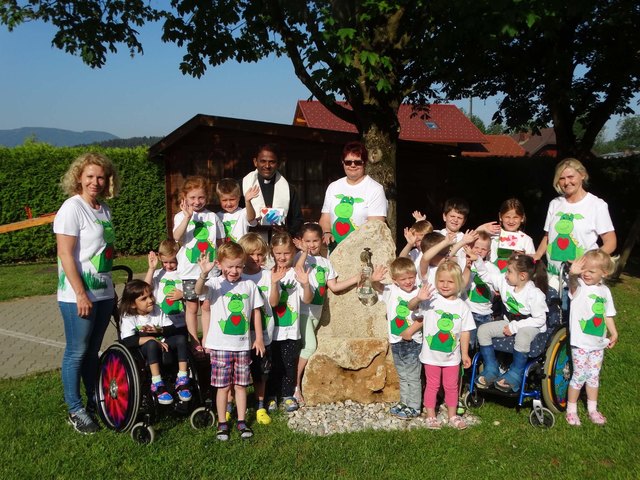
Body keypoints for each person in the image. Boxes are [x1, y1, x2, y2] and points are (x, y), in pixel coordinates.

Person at [54, 152, 120, 434]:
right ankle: (75, 408)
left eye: (100, 177)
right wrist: (81, 293)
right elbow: (65, 255)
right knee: (77, 351)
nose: (95, 182)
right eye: (90, 176)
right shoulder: (72, 208)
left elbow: (101, 253)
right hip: (77, 296)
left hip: (103, 293)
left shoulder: (103, 209)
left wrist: (111, 290)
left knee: (93, 351)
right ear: (79, 177)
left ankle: (94, 399)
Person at [195, 242, 266, 441]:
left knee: (241, 386)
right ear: (220, 264)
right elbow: (199, 290)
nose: (234, 271)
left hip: (242, 346)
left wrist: (258, 338)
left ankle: (242, 421)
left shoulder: (249, 286)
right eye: (230, 266)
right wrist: (204, 273)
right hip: (220, 346)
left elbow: (256, 312)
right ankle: (222, 423)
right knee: (223, 388)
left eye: (238, 266)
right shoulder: (215, 284)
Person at [293, 223, 362, 405]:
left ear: (322, 240)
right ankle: (295, 385)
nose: (311, 244)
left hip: (316, 312)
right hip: (303, 311)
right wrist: (304, 253)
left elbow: (334, 286)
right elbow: (298, 270)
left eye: (315, 240)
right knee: (309, 347)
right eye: (307, 241)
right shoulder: (300, 258)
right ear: (301, 242)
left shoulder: (325, 262)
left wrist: (355, 279)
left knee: (303, 347)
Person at [401, 261, 475, 430]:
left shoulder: (463, 307)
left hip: (452, 357)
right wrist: (419, 298)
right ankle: (431, 415)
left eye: (450, 282)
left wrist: (465, 354)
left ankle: (452, 415)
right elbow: (410, 307)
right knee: (432, 385)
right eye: (441, 281)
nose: (445, 285)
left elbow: (465, 332)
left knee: (451, 386)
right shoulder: (430, 300)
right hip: (430, 357)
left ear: (458, 284)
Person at [534, 158, 616, 291]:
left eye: (571, 177)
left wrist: (587, 260)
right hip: (553, 277)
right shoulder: (555, 203)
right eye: (562, 178)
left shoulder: (597, 205)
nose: (566, 182)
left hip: (582, 279)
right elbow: (548, 236)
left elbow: (611, 243)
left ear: (582, 175)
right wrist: (537, 255)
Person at [472, 253, 548, 393]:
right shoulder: (504, 281)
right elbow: (486, 276)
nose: (505, 274)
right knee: (483, 330)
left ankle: (516, 373)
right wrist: (477, 259)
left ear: (523, 276)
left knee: (523, 335)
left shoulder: (534, 294)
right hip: (510, 321)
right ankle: (491, 368)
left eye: (509, 271)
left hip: (531, 325)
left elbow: (540, 319)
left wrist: (515, 327)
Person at [565, 250, 618, 426]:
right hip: (580, 343)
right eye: (584, 269)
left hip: (598, 344)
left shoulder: (605, 292)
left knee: (593, 376)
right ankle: (571, 410)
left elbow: (607, 315)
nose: (586, 274)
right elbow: (572, 283)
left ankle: (592, 409)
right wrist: (573, 273)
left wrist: (614, 332)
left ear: (604, 273)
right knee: (579, 375)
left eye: (591, 271)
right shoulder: (579, 286)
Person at [119, 280, 192, 405]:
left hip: (162, 343)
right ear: (132, 304)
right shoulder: (128, 317)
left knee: (180, 338)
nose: (150, 300)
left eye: (150, 295)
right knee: (151, 344)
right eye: (144, 298)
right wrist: (151, 338)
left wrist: (159, 330)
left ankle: (182, 379)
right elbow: (128, 341)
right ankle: (157, 383)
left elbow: (171, 329)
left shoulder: (157, 309)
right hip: (142, 350)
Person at [173, 175, 224, 352]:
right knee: (192, 306)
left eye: (201, 197)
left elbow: (220, 242)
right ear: (184, 197)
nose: (197, 201)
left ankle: (207, 339)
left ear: (207, 197)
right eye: (192, 197)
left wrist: (221, 261)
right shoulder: (180, 216)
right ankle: (194, 340)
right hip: (189, 271)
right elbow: (177, 237)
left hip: (210, 271)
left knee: (207, 305)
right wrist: (187, 217)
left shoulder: (213, 217)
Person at [370, 257, 424, 419]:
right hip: (396, 340)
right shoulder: (392, 290)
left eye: (411, 277)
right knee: (402, 374)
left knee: (413, 375)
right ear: (395, 280)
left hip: (413, 341)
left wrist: (410, 332)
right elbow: (378, 287)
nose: (408, 281)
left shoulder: (419, 292)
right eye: (403, 279)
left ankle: (414, 406)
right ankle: (405, 401)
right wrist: (373, 280)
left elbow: (424, 316)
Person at [267, 232, 313, 413]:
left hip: (291, 331)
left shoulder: (297, 273)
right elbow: (273, 302)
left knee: (289, 365)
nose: (282, 257)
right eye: (278, 253)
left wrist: (306, 284)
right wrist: (273, 283)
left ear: (293, 252)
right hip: (271, 331)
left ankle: (287, 396)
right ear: (272, 252)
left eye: (286, 253)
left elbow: (307, 300)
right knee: (271, 365)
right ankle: (271, 395)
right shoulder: (268, 273)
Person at [237, 233, 275, 425]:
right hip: (240, 335)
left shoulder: (268, 275)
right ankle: (230, 407)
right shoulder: (238, 276)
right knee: (238, 374)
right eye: (251, 255)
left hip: (263, 332)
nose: (256, 259)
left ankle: (260, 406)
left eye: (260, 254)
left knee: (261, 372)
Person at [319, 141, 388, 246]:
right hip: (334, 252)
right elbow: (325, 218)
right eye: (348, 162)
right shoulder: (333, 187)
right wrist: (327, 233)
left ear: (365, 162)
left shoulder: (375, 189)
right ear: (342, 162)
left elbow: (375, 227)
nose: (352, 165)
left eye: (357, 162)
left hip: (362, 253)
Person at [242, 143, 304, 239]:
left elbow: (297, 219)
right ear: (255, 162)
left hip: (280, 244)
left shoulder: (289, 189)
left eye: (272, 162)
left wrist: (287, 231)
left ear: (278, 164)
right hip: (251, 243)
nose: (267, 165)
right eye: (263, 161)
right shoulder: (243, 184)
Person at [463, 231, 499, 348]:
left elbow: (495, 286)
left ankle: (480, 365)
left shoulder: (492, 268)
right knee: (468, 344)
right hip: (468, 312)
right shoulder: (465, 264)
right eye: (476, 247)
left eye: (483, 249)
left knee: (484, 345)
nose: (479, 251)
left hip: (485, 313)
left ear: (488, 252)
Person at [144, 239, 185, 332]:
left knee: (181, 342)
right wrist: (151, 269)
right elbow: (145, 289)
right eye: (165, 262)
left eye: (172, 262)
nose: (168, 266)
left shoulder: (182, 274)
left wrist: (183, 295)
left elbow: (193, 292)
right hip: (161, 321)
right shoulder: (157, 274)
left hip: (181, 320)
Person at [488, 198, 535, 272]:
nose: (511, 221)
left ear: (522, 218)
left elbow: (532, 265)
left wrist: (524, 258)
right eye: (507, 217)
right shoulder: (492, 235)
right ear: (500, 216)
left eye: (515, 217)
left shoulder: (527, 240)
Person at [216, 178, 259, 243]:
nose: (229, 204)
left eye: (232, 199)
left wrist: (247, 201)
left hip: (241, 250)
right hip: (225, 252)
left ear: (239, 198)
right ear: (219, 200)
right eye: (224, 200)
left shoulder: (243, 212)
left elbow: (251, 218)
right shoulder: (217, 216)